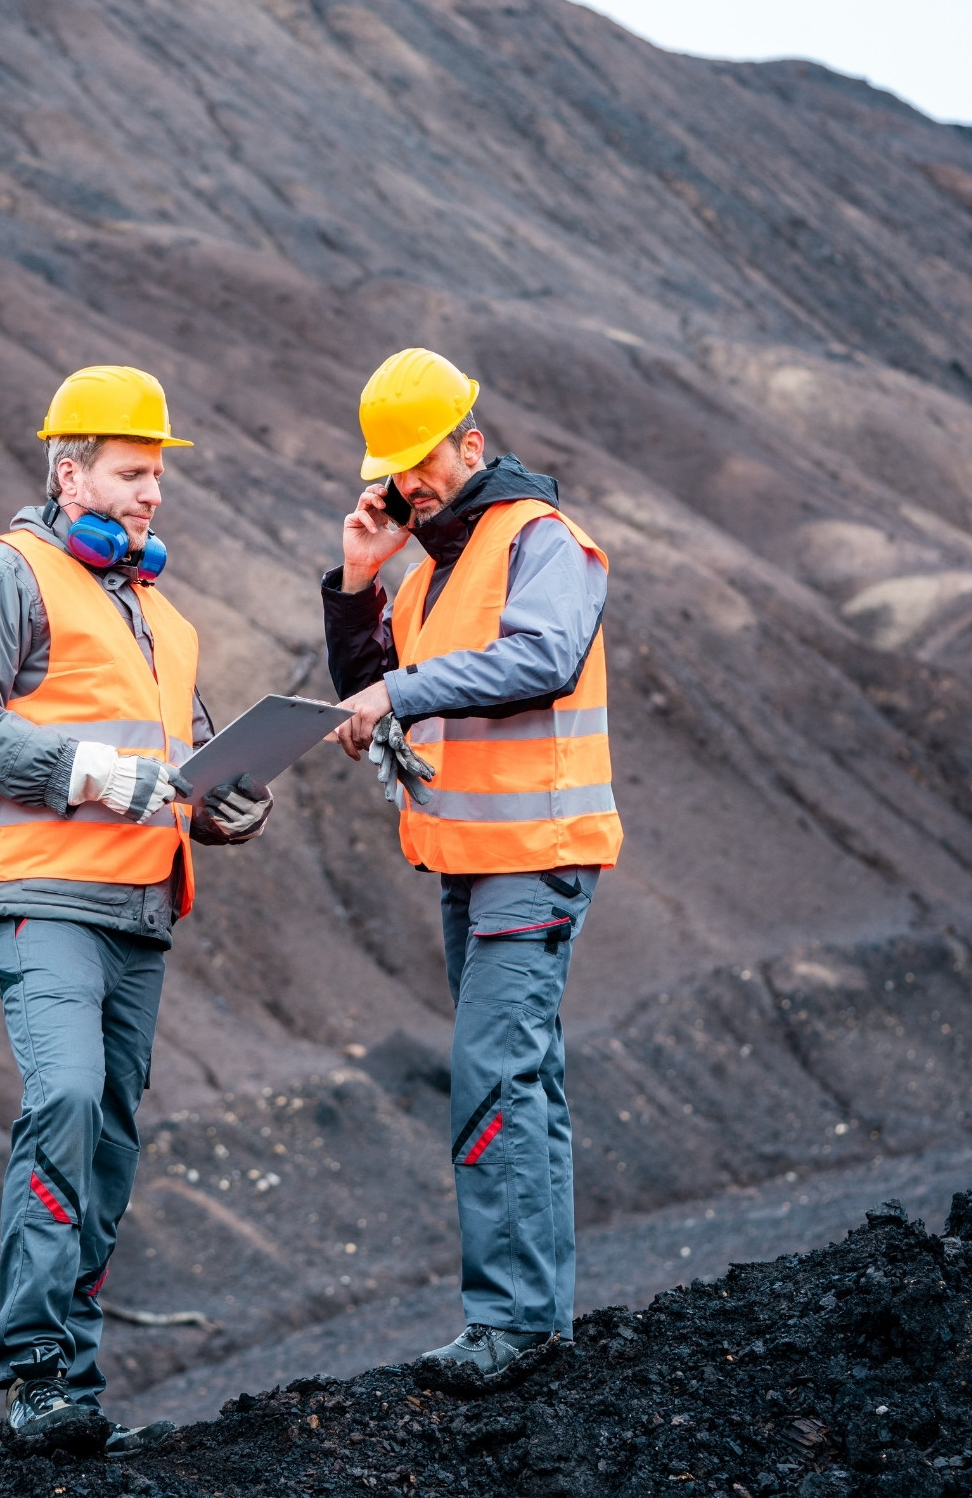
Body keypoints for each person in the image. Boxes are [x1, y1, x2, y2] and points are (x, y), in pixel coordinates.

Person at [0, 364, 273, 1456]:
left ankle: (70, 1380)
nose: (150, 493)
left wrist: (225, 804)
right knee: (66, 1097)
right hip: (36, 893)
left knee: (109, 1139)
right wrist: (87, 773)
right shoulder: (3, 575)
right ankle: (31, 1376)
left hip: (138, 907)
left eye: (156, 475)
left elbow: (175, 770)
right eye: (130, 473)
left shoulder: (163, 618)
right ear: (69, 474)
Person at [319, 347, 620, 1381]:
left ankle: (510, 1323)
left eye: (423, 462)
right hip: (468, 855)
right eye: (395, 470)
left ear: (471, 444)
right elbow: (375, 683)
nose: (410, 484)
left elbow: (541, 658)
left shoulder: (542, 540)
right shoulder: (430, 573)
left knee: (494, 1072)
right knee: (521, 1076)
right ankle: (538, 1317)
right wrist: (358, 586)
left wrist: (396, 698)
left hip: (534, 851)